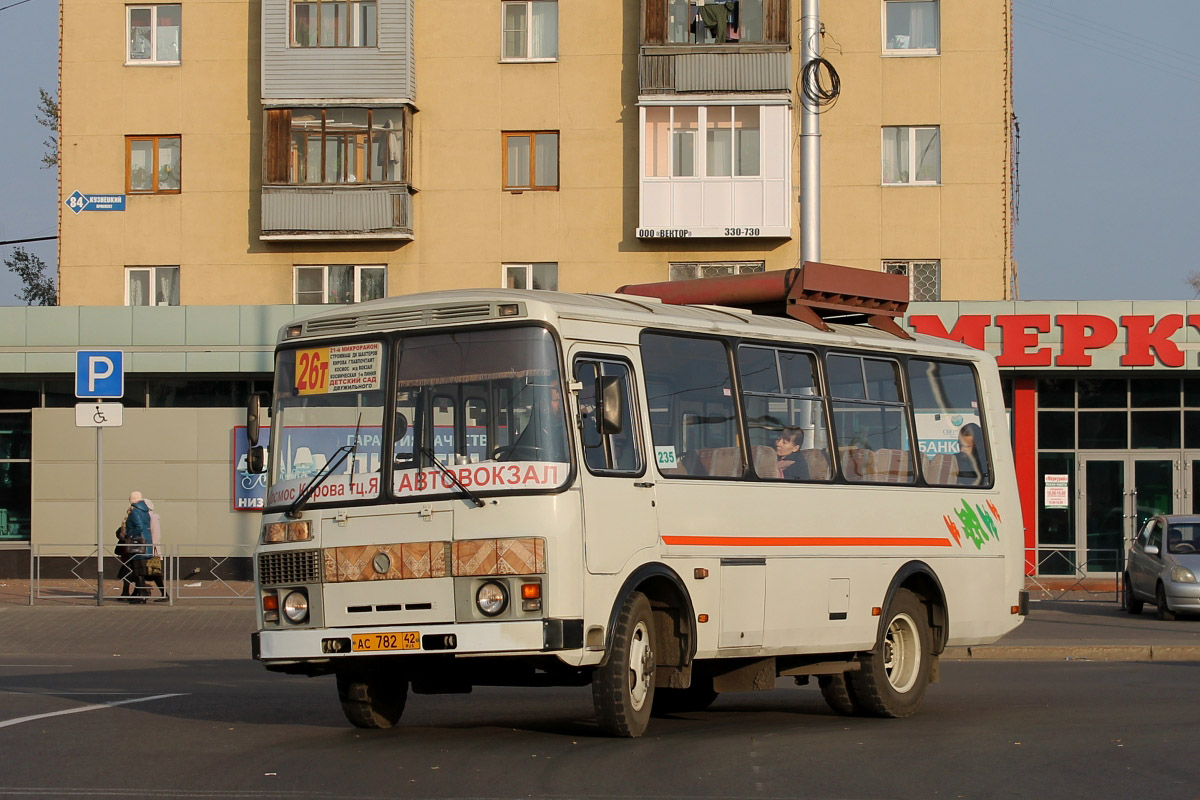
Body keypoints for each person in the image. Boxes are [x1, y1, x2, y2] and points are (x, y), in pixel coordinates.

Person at [124, 491, 153, 601]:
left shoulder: (135, 512)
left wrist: (131, 536)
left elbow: (139, 527)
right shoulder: (145, 512)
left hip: (138, 545)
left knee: (138, 571)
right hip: (146, 544)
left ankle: (141, 594)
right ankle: (140, 593)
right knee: (140, 571)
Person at [144, 498, 169, 602]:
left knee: (153, 573)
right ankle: (143, 593)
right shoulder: (146, 517)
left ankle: (163, 594)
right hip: (148, 550)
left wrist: (152, 548)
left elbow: (156, 534)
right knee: (148, 573)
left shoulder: (153, 518)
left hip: (151, 551)